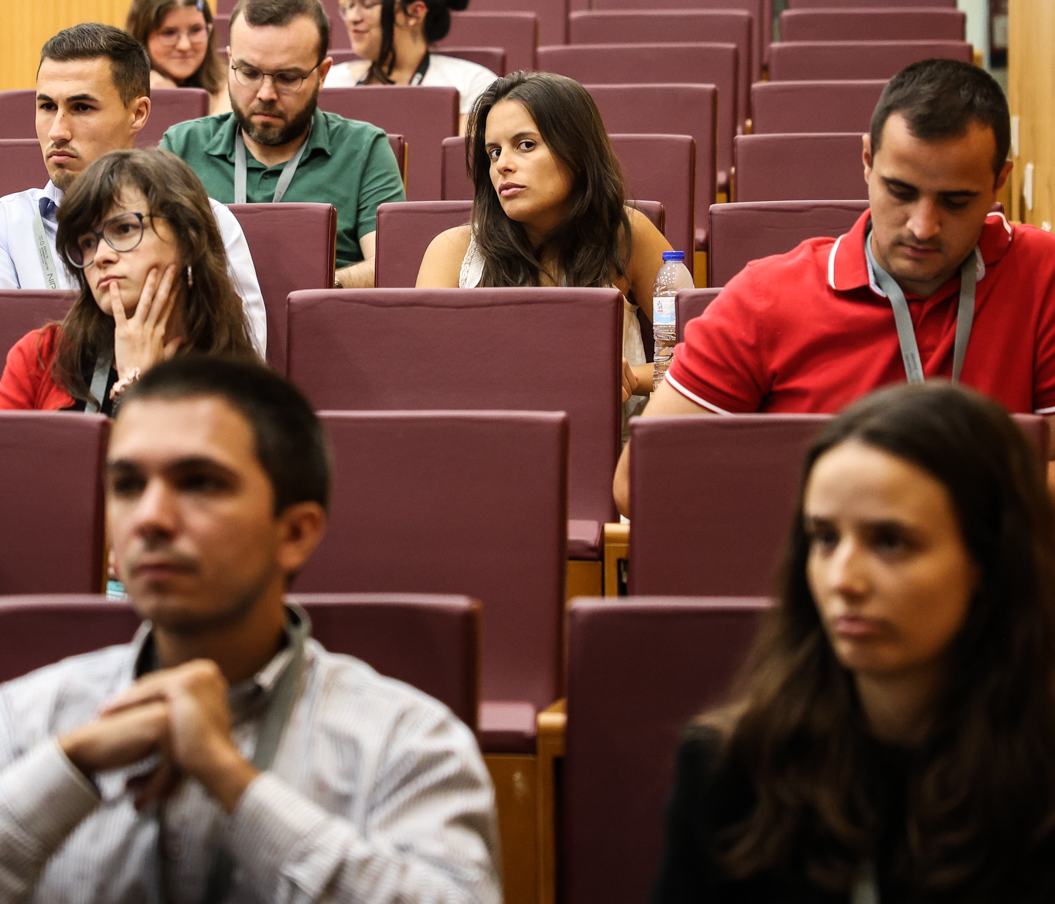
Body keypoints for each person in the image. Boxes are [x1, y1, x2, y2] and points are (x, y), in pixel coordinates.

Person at [0, 355, 501, 904]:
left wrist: (234, 784)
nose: (149, 518)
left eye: (200, 483)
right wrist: (67, 770)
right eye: (128, 486)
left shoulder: (405, 740)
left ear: (295, 533)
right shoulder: (31, 719)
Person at [652, 382, 1055, 902]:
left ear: (988, 560)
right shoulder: (731, 769)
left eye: (890, 542)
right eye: (824, 538)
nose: (844, 579)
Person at [615, 58, 1055, 513]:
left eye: (956, 201)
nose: (924, 227)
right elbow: (642, 481)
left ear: (998, 181)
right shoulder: (768, 297)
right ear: (867, 161)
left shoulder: (1043, 274)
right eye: (901, 192)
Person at [0, 23, 268, 358]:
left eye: (82, 107)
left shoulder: (204, 219)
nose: (58, 131)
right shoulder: (6, 223)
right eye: (47, 106)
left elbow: (244, 364)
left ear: (137, 114)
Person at [417, 71, 669, 413]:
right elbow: (424, 375)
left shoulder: (627, 235)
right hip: (488, 443)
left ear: (577, 152)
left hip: (611, 445)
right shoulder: (451, 251)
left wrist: (630, 378)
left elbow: (696, 353)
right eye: (493, 152)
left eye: (525, 145)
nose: (503, 165)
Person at [160, 0, 406, 288]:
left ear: (323, 74)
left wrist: (323, 285)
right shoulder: (181, 146)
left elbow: (390, 266)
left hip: (322, 322)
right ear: (230, 62)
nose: (266, 93)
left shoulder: (364, 149)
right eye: (249, 73)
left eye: (287, 78)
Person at [0, 149, 261, 412]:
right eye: (87, 243)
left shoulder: (241, 384)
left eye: (124, 229)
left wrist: (140, 384)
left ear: (188, 240)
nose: (100, 256)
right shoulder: (42, 354)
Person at [325, 0, 497, 131]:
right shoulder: (328, 81)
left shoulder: (471, 83)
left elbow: (462, 166)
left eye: (367, 4)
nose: (352, 18)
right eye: (348, 6)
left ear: (415, 12)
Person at [127, 0, 231, 116]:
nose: (184, 45)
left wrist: (178, 101)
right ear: (142, 38)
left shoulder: (232, 85)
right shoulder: (119, 91)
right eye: (169, 33)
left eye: (196, 30)